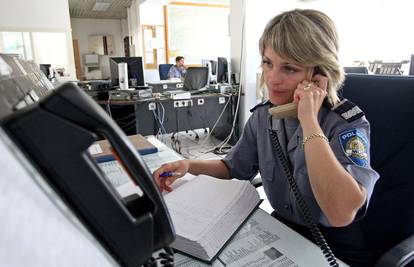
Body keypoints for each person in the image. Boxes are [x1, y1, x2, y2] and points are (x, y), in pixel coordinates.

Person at [154, 9, 379, 267]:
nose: (272, 78)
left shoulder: (346, 124)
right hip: (284, 232)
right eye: (268, 62)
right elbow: (232, 167)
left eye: (290, 68)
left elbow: (341, 213)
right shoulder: (265, 116)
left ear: (319, 75)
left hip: (337, 247)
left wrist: (309, 120)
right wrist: (188, 165)